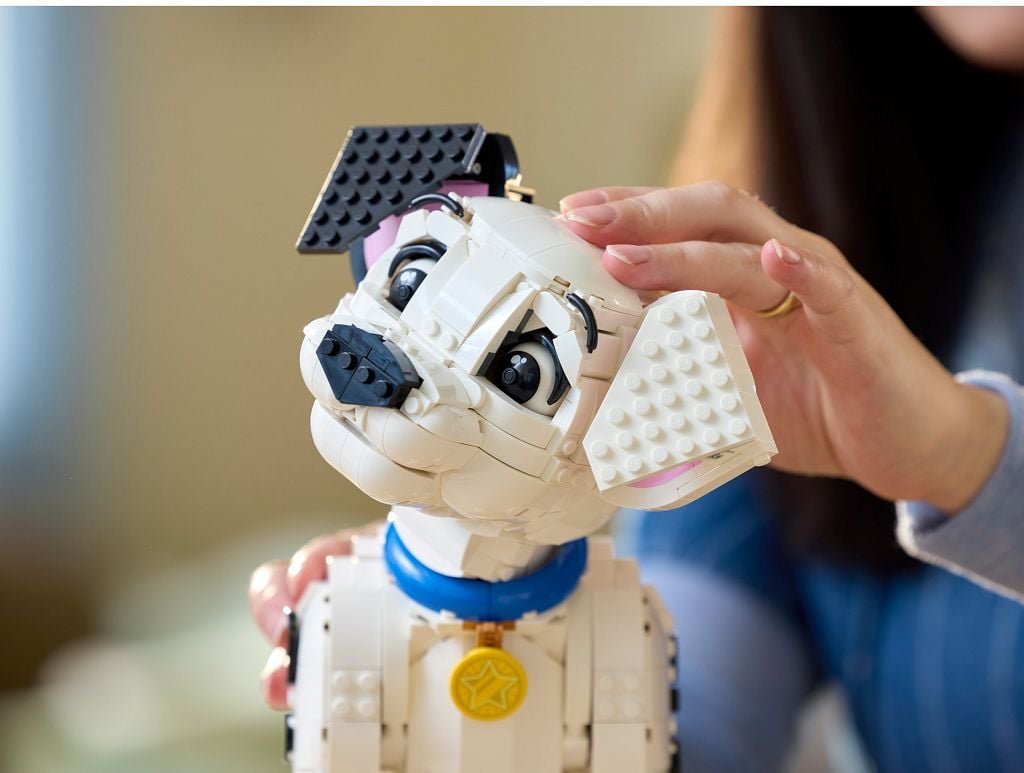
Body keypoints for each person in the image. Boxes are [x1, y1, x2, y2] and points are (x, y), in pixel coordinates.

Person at [251, 8, 1024, 770]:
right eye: (409, 280)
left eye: (523, 370)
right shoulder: (768, 312)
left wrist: (967, 458)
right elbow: (698, 718)